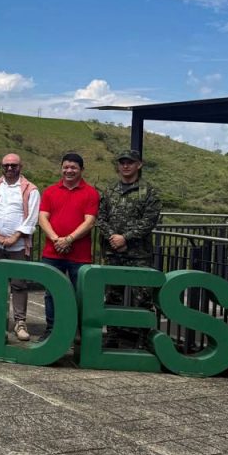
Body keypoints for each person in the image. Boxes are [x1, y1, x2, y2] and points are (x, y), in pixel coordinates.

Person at [97, 149, 162, 349]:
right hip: (113, 253)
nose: (126, 166)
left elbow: (149, 221)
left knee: (142, 298)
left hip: (138, 255)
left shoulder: (149, 191)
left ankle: (143, 338)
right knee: (112, 296)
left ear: (139, 165)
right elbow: (100, 217)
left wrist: (125, 237)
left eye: (130, 162)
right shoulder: (109, 191)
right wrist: (112, 238)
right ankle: (113, 335)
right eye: (122, 162)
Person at [37, 152, 100, 341]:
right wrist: (56, 239)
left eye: (73, 167)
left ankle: (78, 331)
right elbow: (42, 218)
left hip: (79, 255)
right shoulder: (50, 191)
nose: (69, 171)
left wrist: (69, 239)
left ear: (81, 170)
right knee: (51, 293)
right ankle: (51, 329)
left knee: (80, 294)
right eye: (66, 167)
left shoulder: (91, 193)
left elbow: (89, 222)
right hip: (52, 252)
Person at [0, 153, 40, 340]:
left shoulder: (31, 189)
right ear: (1, 166)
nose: (10, 168)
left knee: (19, 284)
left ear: (21, 166)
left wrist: (15, 236)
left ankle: (20, 323)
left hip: (19, 245)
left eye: (14, 165)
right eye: (6, 165)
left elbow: (32, 217)